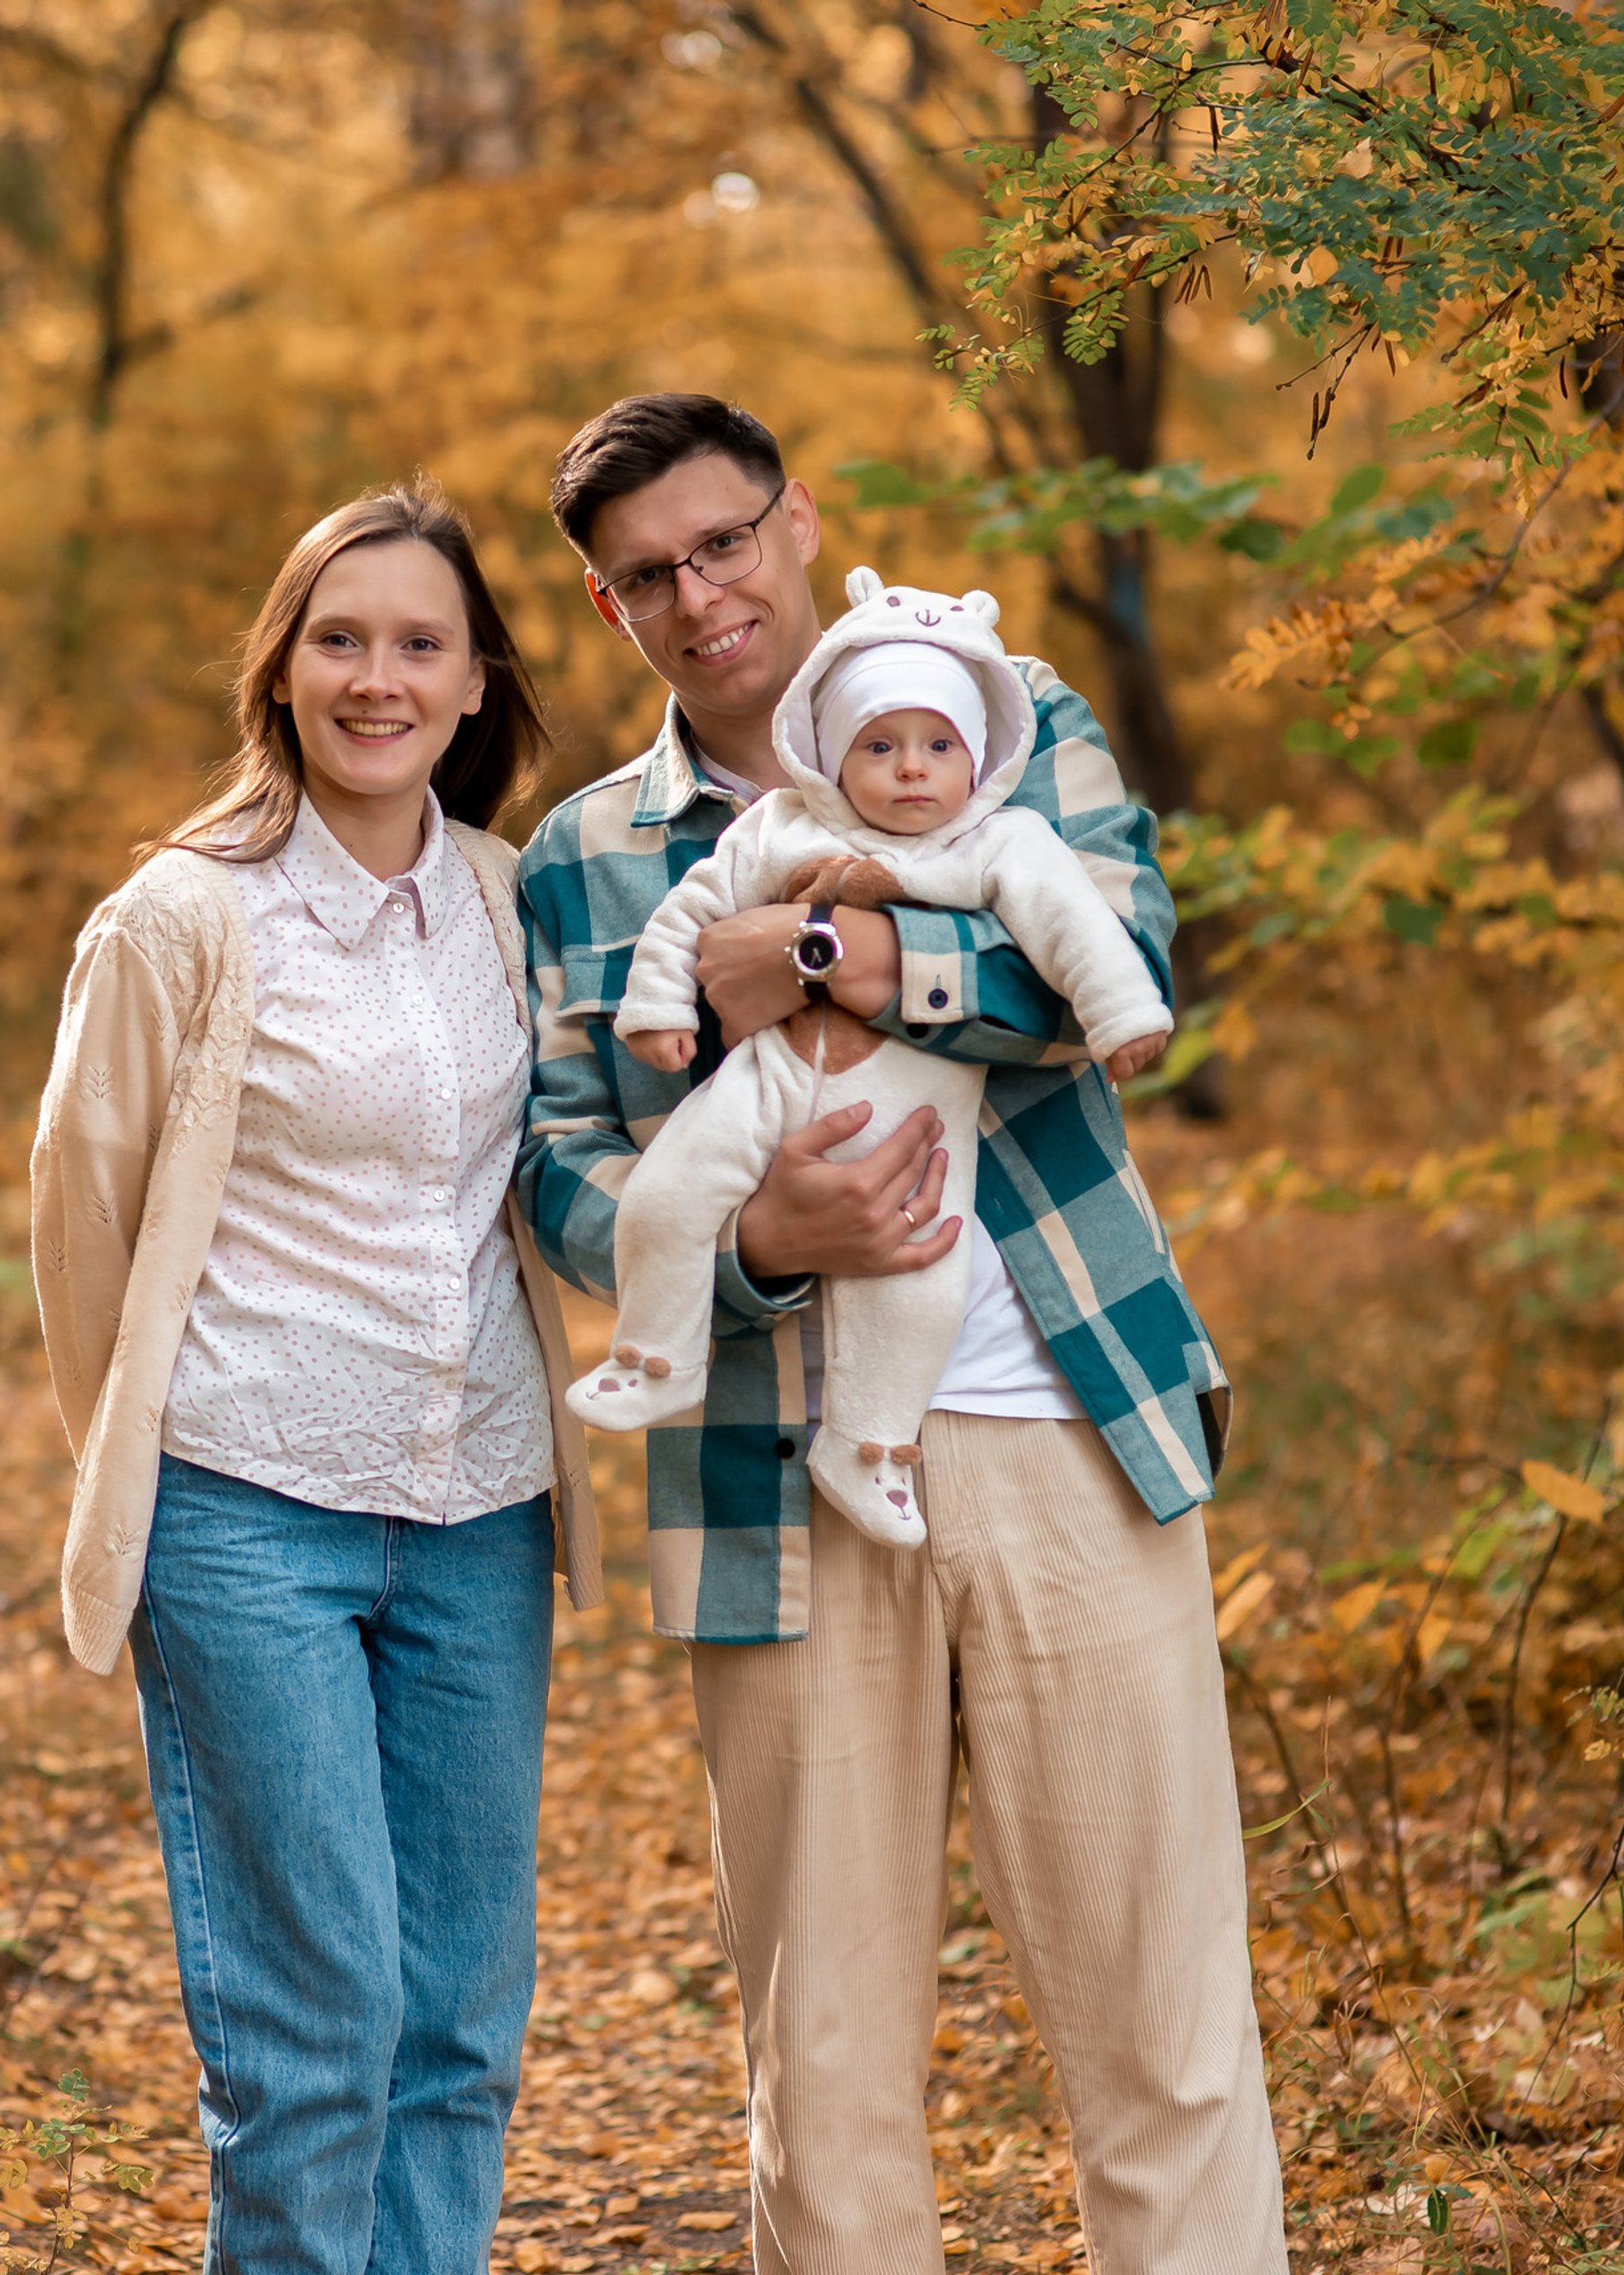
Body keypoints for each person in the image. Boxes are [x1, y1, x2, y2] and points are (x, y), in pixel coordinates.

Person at [515, 395, 1286, 2274]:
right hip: (771, 1479)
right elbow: (553, 1158)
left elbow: (1112, 955)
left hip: (1066, 1430)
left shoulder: (992, 707)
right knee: (827, 2062)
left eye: (719, 542)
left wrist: (826, 960)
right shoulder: (587, 848)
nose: (697, 596)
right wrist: (755, 1240)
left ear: (792, 524)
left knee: (1158, 2028)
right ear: (609, 613)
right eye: (645, 577)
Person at [31, 483, 600, 2275]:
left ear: (472, 677)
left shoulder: (517, 905)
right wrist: (144, 1469)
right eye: (337, 637)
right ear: (279, 669)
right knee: (315, 2029)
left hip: (479, 1515)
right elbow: (81, 1220)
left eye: (416, 641)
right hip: (245, 1512)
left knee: (454, 2025)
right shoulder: (179, 921)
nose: (376, 675)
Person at [569, 568, 1172, 1545]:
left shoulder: (997, 839)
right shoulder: (782, 826)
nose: (910, 771)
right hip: (762, 1085)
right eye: (879, 747)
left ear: (974, 762)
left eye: (938, 749)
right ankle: (653, 1353)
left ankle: (867, 1446)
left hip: (911, 1115)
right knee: (668, 1193)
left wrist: (1120, 1014)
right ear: (829, 758)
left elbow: (1081, 931)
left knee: (916, 1282)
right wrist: (655, 1007)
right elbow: (690, 912)